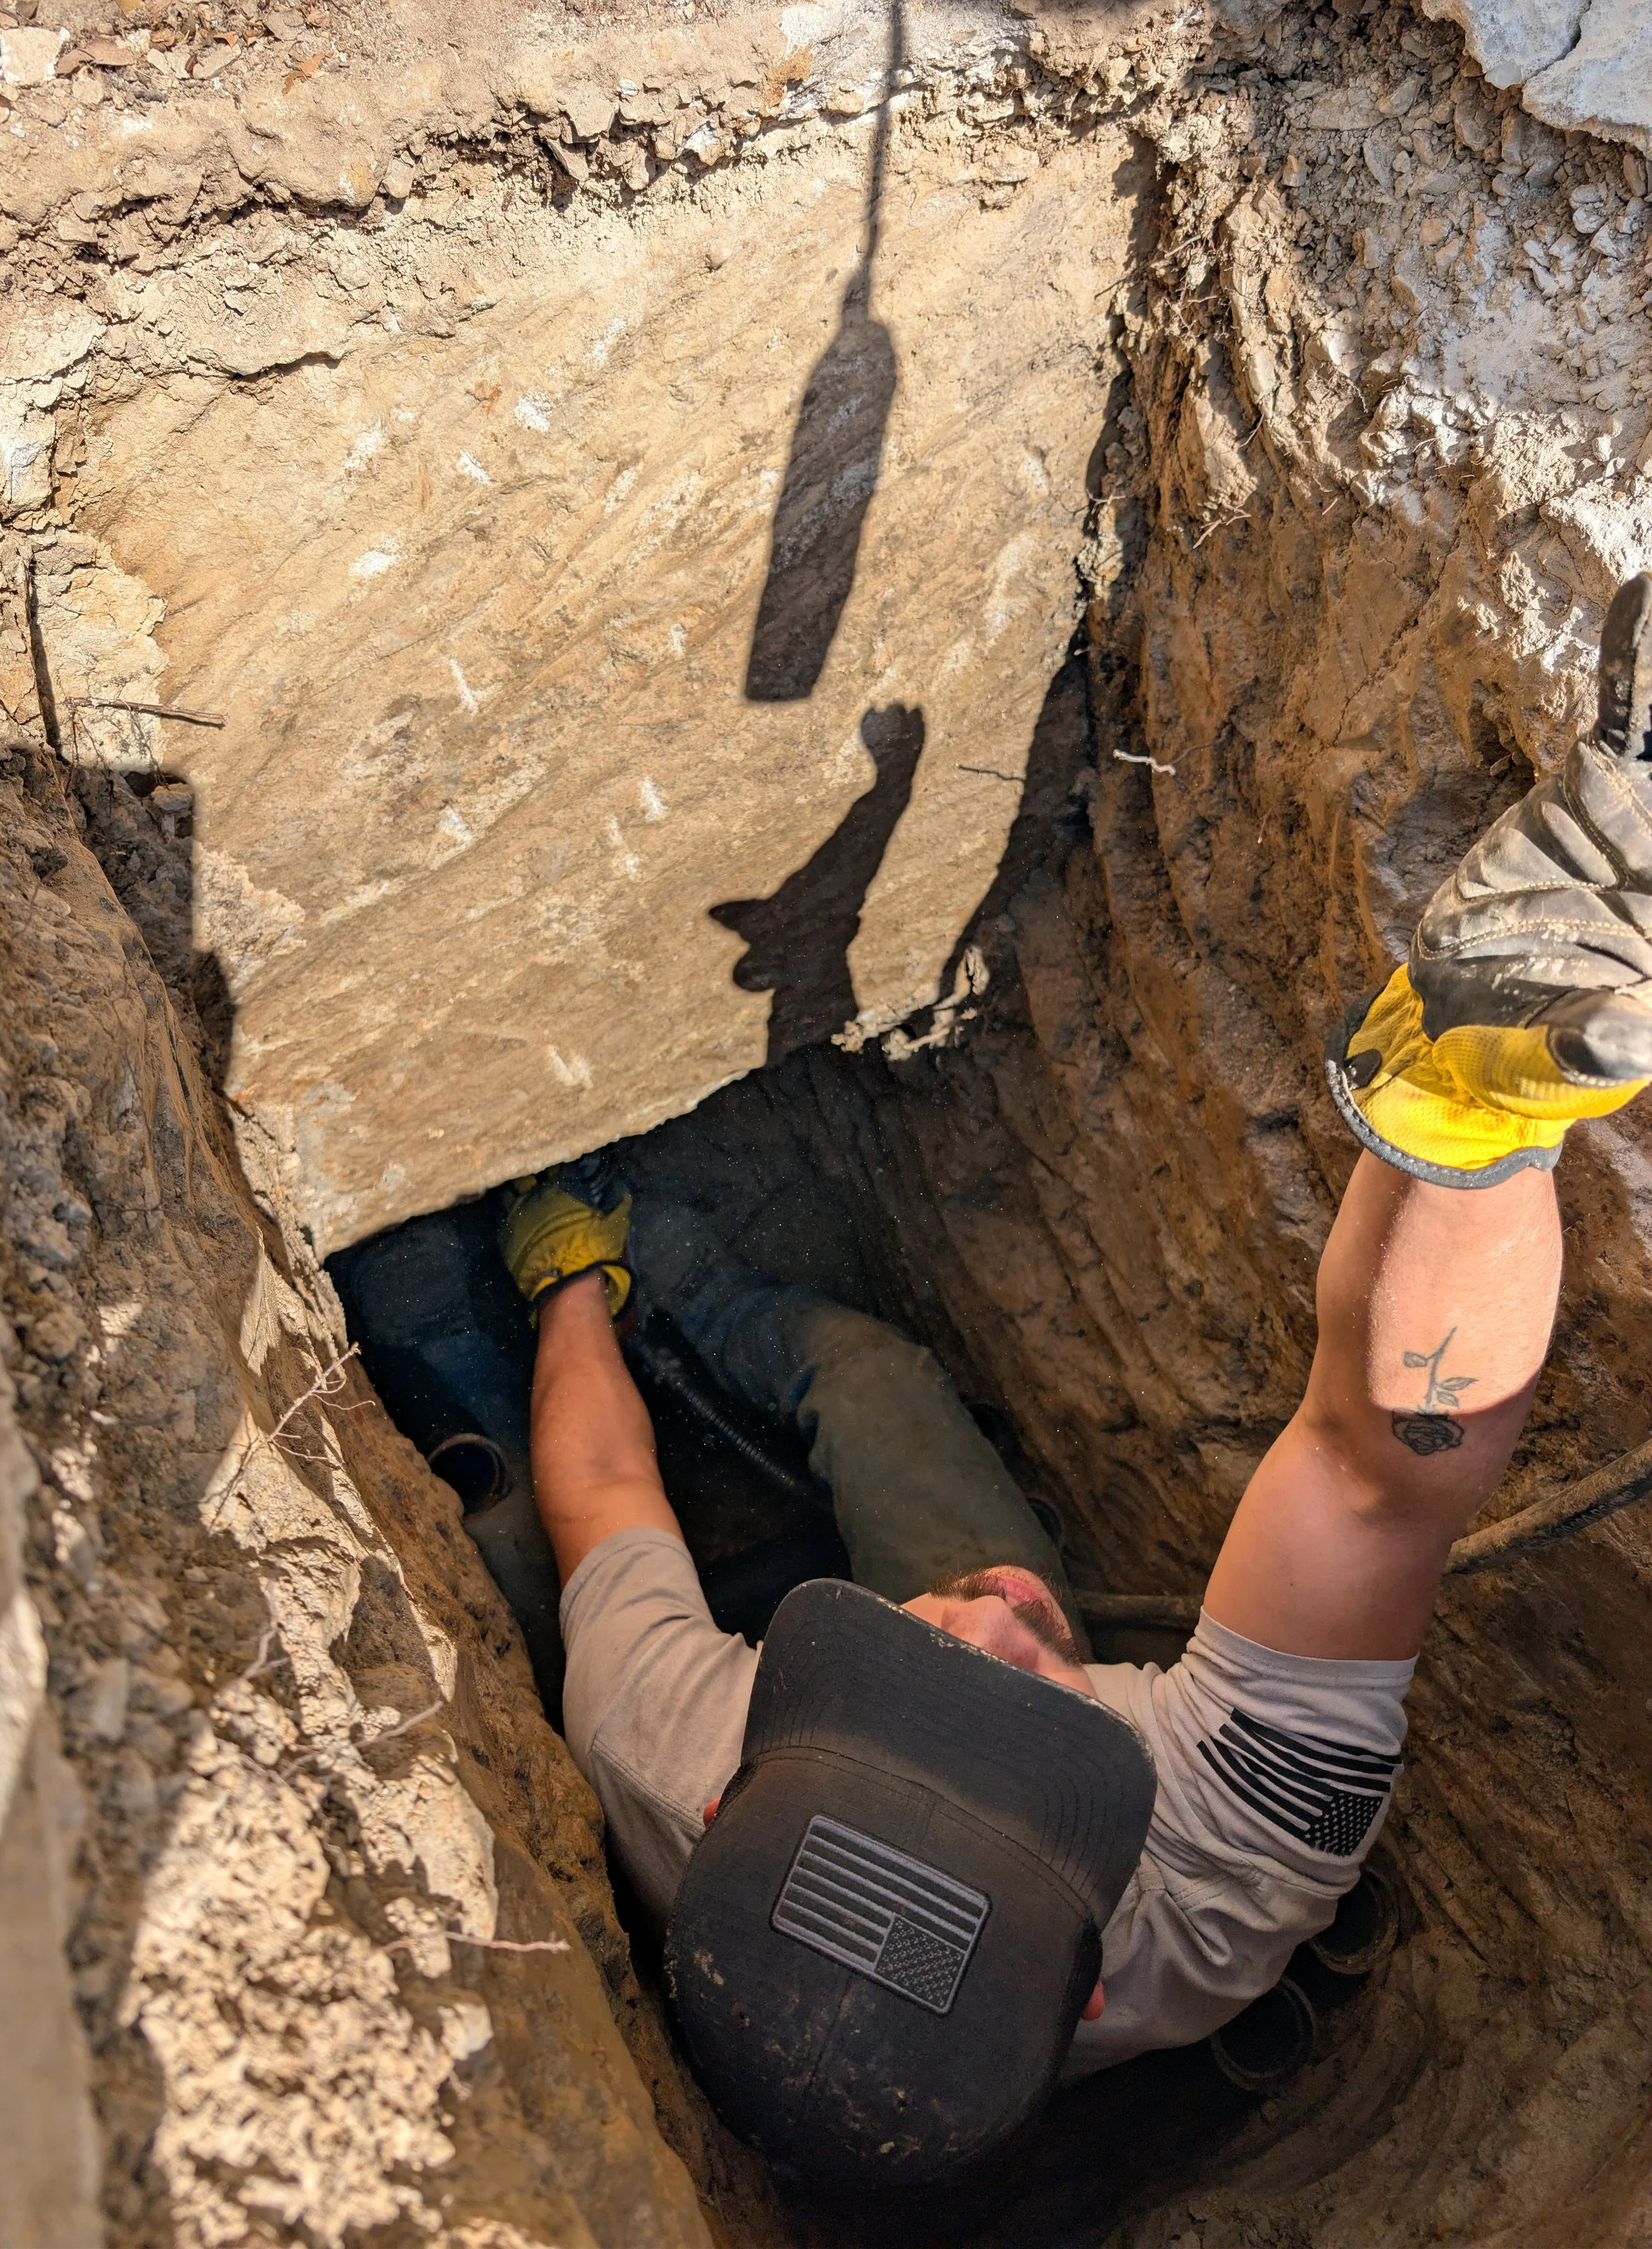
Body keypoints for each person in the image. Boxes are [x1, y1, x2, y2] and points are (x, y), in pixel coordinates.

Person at [499, 576, 1652, 2183]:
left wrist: (567, 1281)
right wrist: (1471, 1116)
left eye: (903, 1671)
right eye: (1025, 1714)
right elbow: (1367, 1478)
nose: (976, 1618)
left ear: (719, 1814)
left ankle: (674, 1286)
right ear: (1096, 1973)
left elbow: (604, 1494)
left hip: (847, 1760)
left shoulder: (668, 1742)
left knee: (851, 1388)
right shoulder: (1212, 1885)